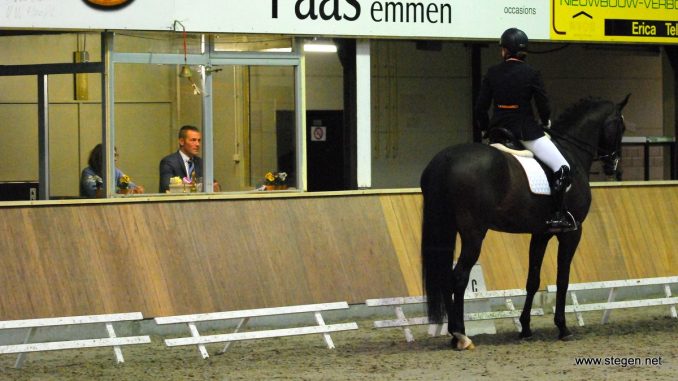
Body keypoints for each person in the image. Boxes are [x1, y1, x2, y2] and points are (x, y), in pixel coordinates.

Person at [474, 27, 575, 232]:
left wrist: (486, 129)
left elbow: (480, 108)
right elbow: (543, 105)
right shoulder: (531, 73)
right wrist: (546, 121)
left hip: (498, 132)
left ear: (505, 51)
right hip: (525, 132)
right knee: (563, 168)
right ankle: (556, 215)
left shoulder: (493, 72)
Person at [159, 125, 220, 193]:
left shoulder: (201, 163)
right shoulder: (169, 162)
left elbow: (213, 184)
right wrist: (189, 184)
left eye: (199, 140)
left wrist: (214, 187)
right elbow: (166, 186)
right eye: (193, 140)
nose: (197, 144)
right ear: (182, 141)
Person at [80, 144, 144, 198]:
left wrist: (136, 189)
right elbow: (95, 193)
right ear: (100, 157)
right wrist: (120, 192)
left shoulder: (116, 172)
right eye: (112, 156)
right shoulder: (88, 172)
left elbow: (129, 185)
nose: (115, 159)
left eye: (115, 155)